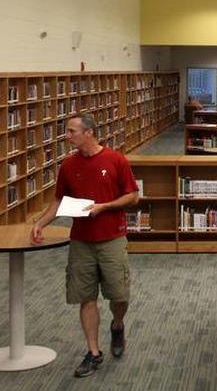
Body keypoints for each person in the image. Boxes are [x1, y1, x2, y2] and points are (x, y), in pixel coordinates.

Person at [30, 114, 140, 378]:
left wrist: (104, 207)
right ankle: (93, 352)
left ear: (89, 132)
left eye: (71, 131)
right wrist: (40, 223)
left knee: (119, 296)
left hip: (112, 237)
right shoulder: (68, 165)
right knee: (86, 297)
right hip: (81, 240)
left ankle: (117, 323)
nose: (67, 136)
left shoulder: (115, 160)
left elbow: (133, 196)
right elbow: (59, 201)